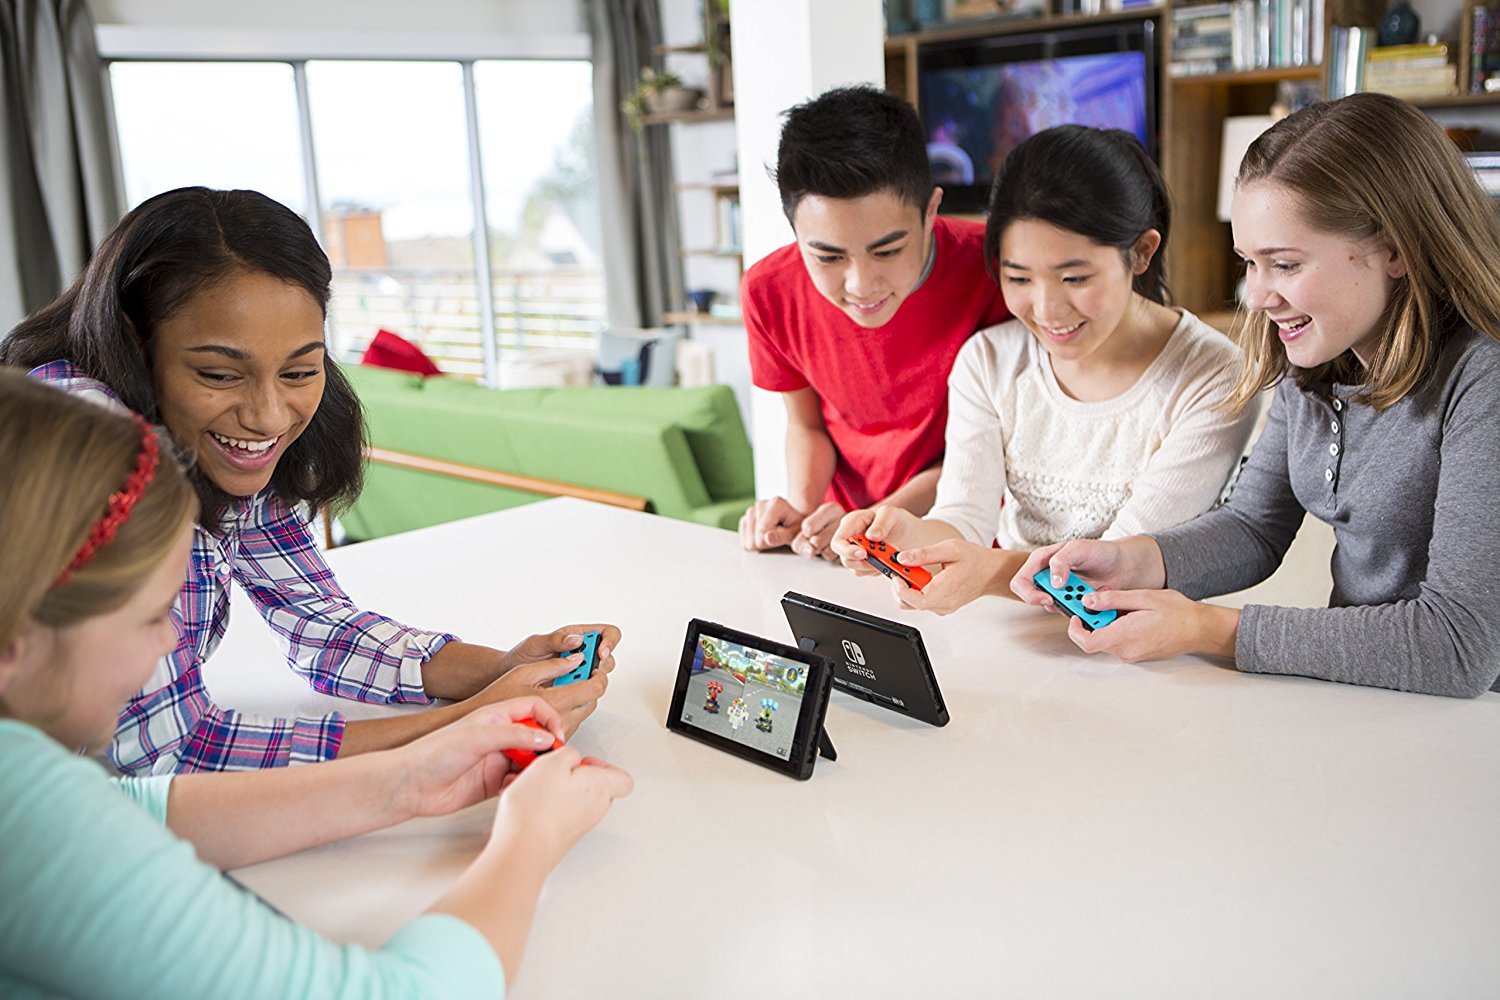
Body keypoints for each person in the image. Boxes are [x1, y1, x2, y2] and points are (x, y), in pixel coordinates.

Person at [0, 371, 634, 996]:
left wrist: (410, 776)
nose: (171, 642)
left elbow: (135, 815)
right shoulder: (26, 822)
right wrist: (531, 839)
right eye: (148, 618)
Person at [0, 187, 618, 774]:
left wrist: (500, 670)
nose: (268, 416)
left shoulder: (216, 441)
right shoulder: (87, 447)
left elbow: (316, 620)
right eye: (219, 374)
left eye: (299, 371)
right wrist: (465, 725)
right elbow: (169, 752)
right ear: (134, 344)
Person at [1011, 94, 1500, 699]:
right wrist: (1129, 561)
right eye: (1249, 263)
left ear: (1396, 248)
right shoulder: (1321, 357)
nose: (1259, 295)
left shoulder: (1484, 379)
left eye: (1286, 265)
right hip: (1369, 703)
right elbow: (1253, 528)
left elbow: (1457, 647)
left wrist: (1212, 630)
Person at [832, 126, 1256, 615]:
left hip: (1147, 646)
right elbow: (963, 518)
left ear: (1141, 252)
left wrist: (988, 571)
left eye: (1074, 278)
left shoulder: (1213, 374)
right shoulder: (988, 361)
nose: (1048, 309)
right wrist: (909, 537)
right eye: (1018, 278)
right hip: (1017, 629)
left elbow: (1118, 573)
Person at [738, 85, 1010, 561]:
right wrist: (802, 512)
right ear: (795, 233)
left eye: (887, 251)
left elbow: (996, 449)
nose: (861, 284)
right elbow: (807, 425)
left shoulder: (999, 270)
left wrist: (877, 520)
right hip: (849, 543)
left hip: (968, 537)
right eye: (828, 256)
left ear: (930, 212)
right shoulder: (768, 291)